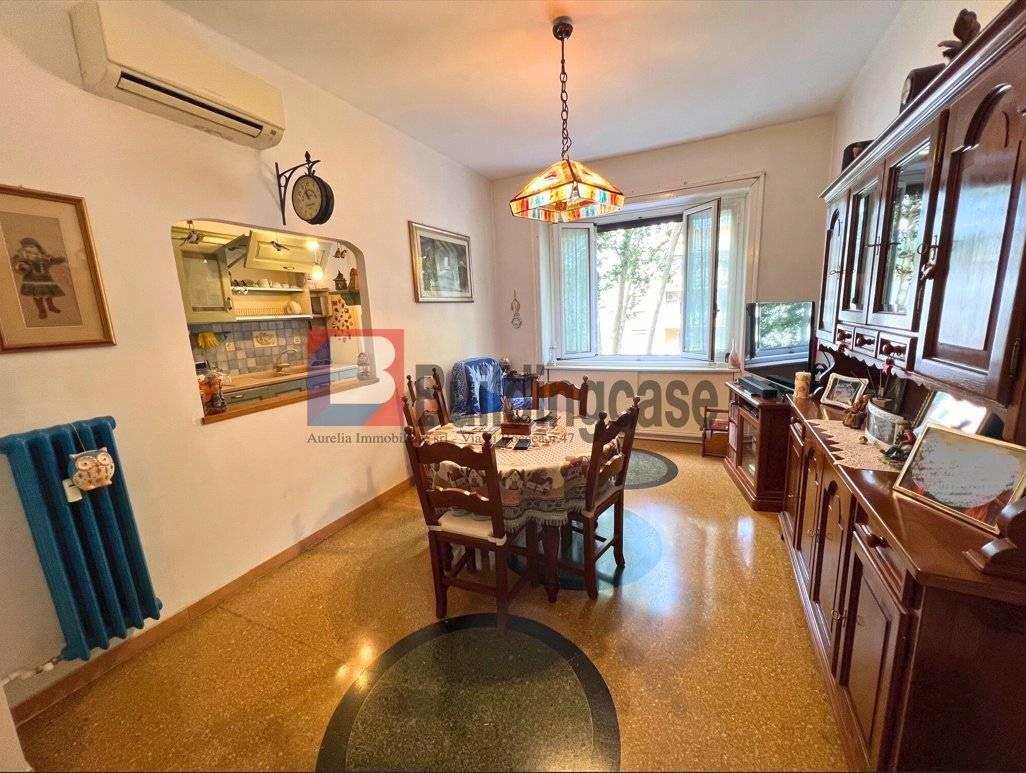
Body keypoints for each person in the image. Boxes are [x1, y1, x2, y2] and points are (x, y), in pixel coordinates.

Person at [11, 237, 66, 320]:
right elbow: (17, 265)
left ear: (37, 247)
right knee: (37, 295)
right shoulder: (24, 258)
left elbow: (55, 261)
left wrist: (59, 259)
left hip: (46, 280)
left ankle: (51, 306)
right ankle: (41, 310)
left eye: (31, 247)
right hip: (33, 280)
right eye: (26, 247)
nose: (29, 249)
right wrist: (22, 265)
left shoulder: (44, 257)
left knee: (48, 294)